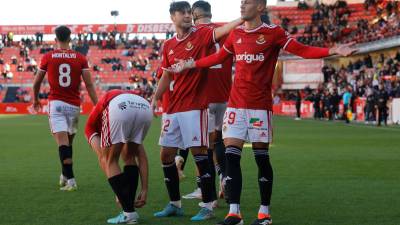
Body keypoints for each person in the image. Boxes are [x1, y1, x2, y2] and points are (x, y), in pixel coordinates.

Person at [168, 0, 356, 224]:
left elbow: (302, 50)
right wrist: (192, 64)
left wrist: (332, 50)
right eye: (241, 2)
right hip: (235, 106)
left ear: (260, 6)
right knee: (230, 157)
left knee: (261, 159)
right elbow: (218, 58)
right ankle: (234, 213)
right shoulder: (236, 34)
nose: (241, 6)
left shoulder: (273, 33)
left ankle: (264, 213)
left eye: (246, 2)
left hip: (259, 107)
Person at [151, 1, 243, 222]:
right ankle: (175, 204)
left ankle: (209, 205)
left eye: (188, 12)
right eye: (182, 12)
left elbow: (221, 31)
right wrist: (154, 98)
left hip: (195, 107)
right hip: (172, 108)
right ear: (173, 16)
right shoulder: (168, 45)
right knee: (166, 155)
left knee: (200, 154)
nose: (187, 16)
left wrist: (243, 18)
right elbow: (166, 74)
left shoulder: (200, 35)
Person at [32, 25, 98, 191]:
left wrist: (35, 99)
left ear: (56, 40)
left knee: (63, 143)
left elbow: (37, 82)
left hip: (57, 104)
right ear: (70, 39)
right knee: (68, 143)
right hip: (74, 106)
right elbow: (89, 84)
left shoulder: (48, 56)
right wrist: (97, 105)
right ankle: (64, 175)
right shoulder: (80, 58)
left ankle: (71, 181)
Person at [182, 0, 234, 206]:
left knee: (202, 145)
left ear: (194, 13)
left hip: (201, 94)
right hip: (224, 92)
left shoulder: (193, 34)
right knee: (219, 139)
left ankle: (204, 188)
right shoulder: (225, 31)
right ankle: (224, 179)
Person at [85, 89, 152, 224]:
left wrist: (119, 191)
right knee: (129, 156)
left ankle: (128, 213)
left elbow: (104, 160)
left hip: (119, 106)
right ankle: (130, 209)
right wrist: (145, 189)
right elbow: (142, 157)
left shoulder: (91, 127)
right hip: (144, 106)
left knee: (110, 160)